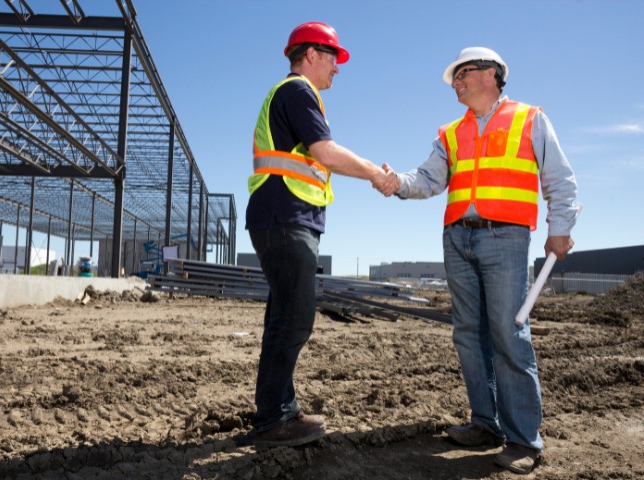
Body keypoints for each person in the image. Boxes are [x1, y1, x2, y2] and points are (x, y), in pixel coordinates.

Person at [384, 47, 579, 474]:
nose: (456, 83)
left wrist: (559, 227)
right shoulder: (451, 133)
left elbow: (559, 179)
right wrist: (396, 181)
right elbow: (429, 178)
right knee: (469, 335)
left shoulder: (530, 119)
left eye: (462, 74)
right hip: (457, 238)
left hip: (505, 238)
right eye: (455, 77)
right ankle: (485, 423)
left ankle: (524, 439)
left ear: (491, 74)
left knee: (510, 335)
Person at [245, 21, 399, 449]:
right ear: (310, 55)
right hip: (284, 216)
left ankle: (281, 409)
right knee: (294, 318)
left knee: (284, 318)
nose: (337, 67)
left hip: (284, 216)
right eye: (332, 57)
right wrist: (374, 173)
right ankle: (273, 420)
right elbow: (325, 153)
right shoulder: (298, 92)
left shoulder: (293, 95)